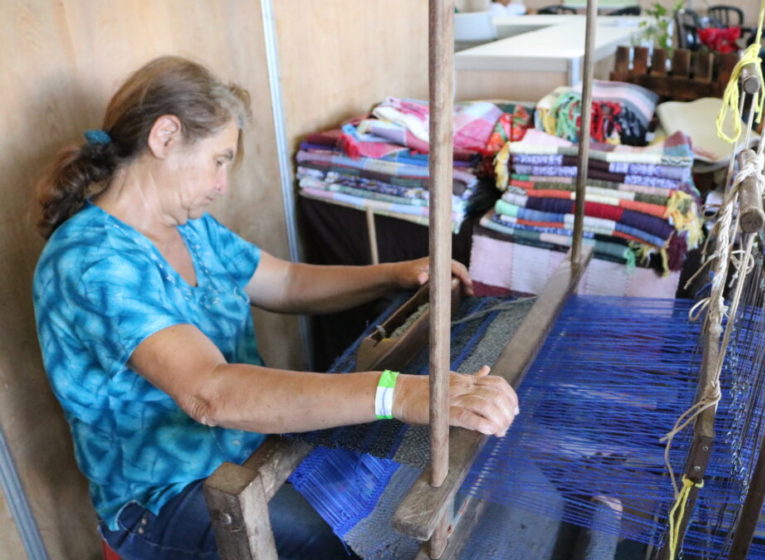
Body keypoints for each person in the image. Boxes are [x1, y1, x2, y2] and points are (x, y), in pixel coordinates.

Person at [32, 56, 519, 560]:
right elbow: (210, 393)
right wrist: (400, 394)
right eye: (219, 159)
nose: (222, 184)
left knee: (404, 493)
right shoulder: (92, 261)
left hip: (255, 451)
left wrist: (393, 274)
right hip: (165, 499)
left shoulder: (187, 227)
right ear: (165, 136)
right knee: (362, 540)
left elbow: (283, 282)